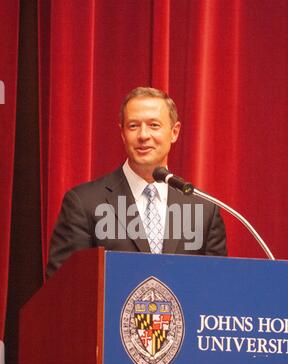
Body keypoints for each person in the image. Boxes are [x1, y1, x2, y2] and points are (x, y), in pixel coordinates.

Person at [46, 87, 227, 277]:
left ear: (174, 132)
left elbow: (217, 287)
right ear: (123, 133)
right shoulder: (84, 203)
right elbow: (64, 289)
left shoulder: (205, 209)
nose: (143, 135)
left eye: (154, 125)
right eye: (133, 126)